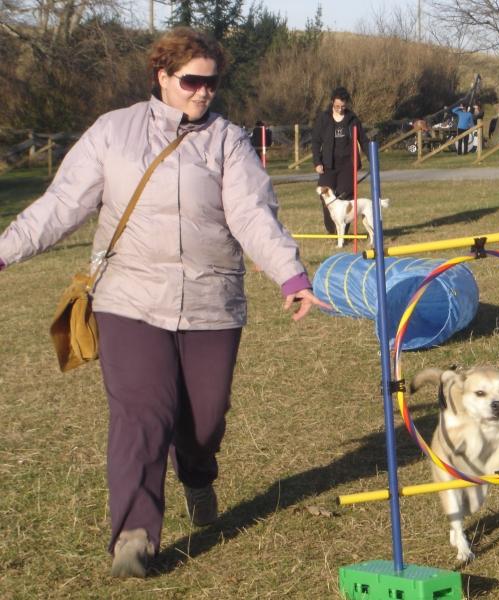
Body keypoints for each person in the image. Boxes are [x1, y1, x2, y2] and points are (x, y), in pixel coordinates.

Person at [0, 27, 329, 578]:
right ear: (162, 76)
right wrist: (4, 252)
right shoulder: (113, 132)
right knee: (142, 412)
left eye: (212, 82)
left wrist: (290, 275)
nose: (203, 92)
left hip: (211, 300)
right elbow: (61, 205)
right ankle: (133, 533)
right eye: (191, 81)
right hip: (129, 298)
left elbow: (252, 213)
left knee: (204, 420)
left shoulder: (228, 140)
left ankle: (197, 473)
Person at [311, 87, 370, 233]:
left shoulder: (353, 119)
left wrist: (372, 158)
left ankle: (342, 229)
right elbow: (315, 142)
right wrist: (317, 162)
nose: (340, 109)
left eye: (343, 106)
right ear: (332, 102)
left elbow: (363, 140)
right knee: (324, 193)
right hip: (328, 163)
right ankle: (332, 230)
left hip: (348, 164)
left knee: (345, 195)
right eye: (337, 106)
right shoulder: (324, 118)